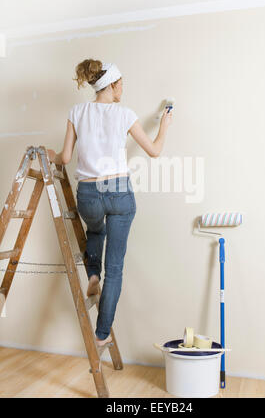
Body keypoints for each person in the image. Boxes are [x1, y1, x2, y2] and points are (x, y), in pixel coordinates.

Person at [47, 59, 172, 351]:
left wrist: (52, 155)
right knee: (115, 270)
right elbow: (154, 150)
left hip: (88, 193)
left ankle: (92, 274)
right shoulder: (125, 114)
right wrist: (164, 126)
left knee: (94, 232)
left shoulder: (77, 112)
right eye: (122, 84)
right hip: (118, 190)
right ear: (112, 85)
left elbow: (64, 158)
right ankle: (102, 334)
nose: (123, 89)